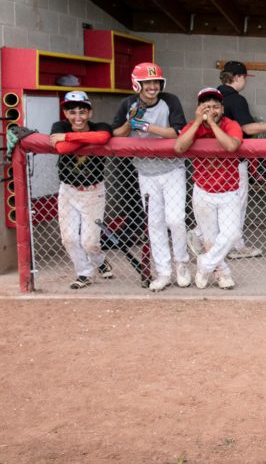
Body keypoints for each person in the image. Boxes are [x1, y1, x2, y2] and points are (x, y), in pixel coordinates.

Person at [113, 62, 190, 292]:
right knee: (154, 223)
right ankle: (164, 272)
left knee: (175, 220)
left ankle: (182, 264)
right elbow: (116, 133)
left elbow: (178, 132)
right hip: (145, 172)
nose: (153, 86)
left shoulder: (170, 100)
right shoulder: (128, 103)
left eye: (155, 81)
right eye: (148, 82)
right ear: (138, 84)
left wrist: (146, 126)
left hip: (172, 169)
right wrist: (131, 122)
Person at [212, 60, 266, 260]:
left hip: (212, 161)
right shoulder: (236, 99)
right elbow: (248, 129)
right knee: (237, 204)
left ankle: (211, 241)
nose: (245, 81)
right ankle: (234, 245)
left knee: (216, 202)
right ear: (237, 77)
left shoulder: (212, 96)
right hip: (234, 160)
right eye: (244, 77)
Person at [173, 88, 244, 290]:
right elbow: (179, 148)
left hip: (229, 190)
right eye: (206, 107)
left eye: (215, 106)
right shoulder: (193, 126)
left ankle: (204, 264)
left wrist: (212, 123)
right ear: (198, 109)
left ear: (222, 109)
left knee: (231, 234)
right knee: (210, 239)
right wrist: (197, 122)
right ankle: (222, 274)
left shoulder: (230, 124)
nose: (211, 110)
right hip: (203, 190)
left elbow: (231, 146)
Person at [49, 89, 113, 290]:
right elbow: (61, 149)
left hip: (93, 191)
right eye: (72, 112)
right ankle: (84, 273)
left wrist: (68, 137)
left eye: (82, 112)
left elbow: (102, 137)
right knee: (68, 237)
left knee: (89, 242)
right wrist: (83, 139)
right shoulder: (58, 125)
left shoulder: (99, 125)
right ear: (66, 114)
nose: (77, 117)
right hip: (68, 190)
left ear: (90, 113)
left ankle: (100, 260)